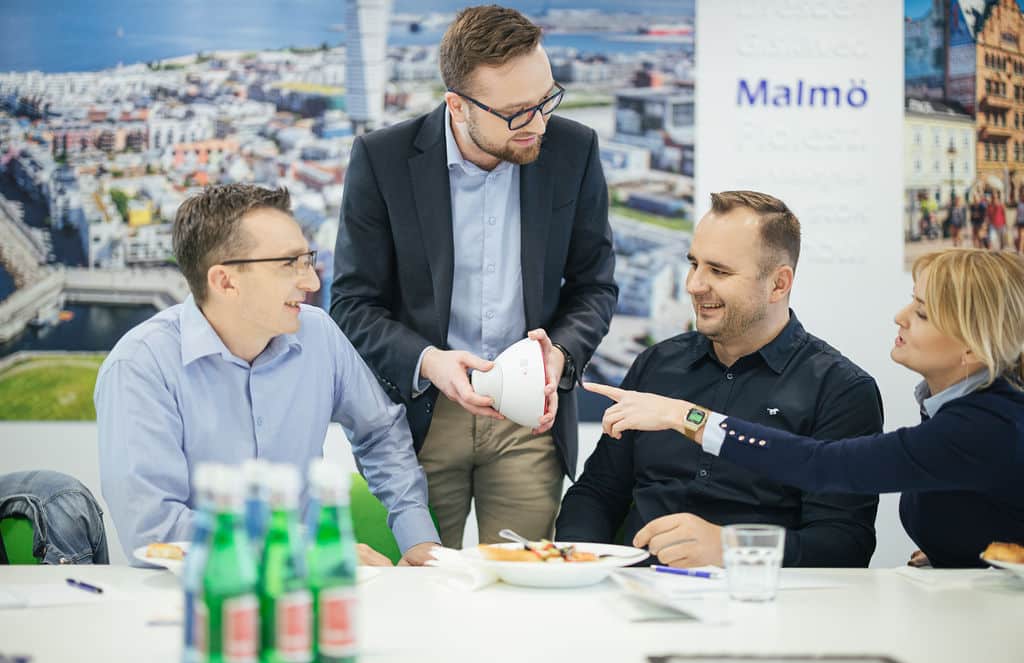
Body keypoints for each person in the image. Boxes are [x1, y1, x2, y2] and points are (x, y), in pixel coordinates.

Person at [332, 5, 617, 547]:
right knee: (418, 594)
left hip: (529, 422)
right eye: (516, 113)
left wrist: (558, 354)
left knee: (519, 600)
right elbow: (351, 304)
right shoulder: (382, 158)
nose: (537, 124)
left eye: (545, 101)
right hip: (420, 416)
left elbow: (594, 286)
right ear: (457, 106)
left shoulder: (573, 150)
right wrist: (430, 362)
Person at [593, 248, 1024, 569]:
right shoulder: (960, 413)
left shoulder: (985, 425)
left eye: (923, 313)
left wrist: (684, 417)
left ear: (972, 344)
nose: (900, 316)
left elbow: (821, 465)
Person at [95, 184, 440, 566]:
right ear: (225, 282)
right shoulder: (140, 367)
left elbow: (380, 433)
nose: (310, 282)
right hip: (188, 602)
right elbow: (154, 533)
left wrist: (417, 538)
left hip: (308, 601)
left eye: (306, 260)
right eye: (288, 264)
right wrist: (306, 554)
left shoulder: (319, 335)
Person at [558, 191, 883, 568]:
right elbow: (596, 493)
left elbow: (845, 544)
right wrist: (584, 568)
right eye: (694, 264)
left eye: (719, 271)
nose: (694, 285)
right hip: (634, 590)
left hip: (760, 605)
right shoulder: (656, 364)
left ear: (779, 284)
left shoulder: (841, 391)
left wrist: (735, 549)